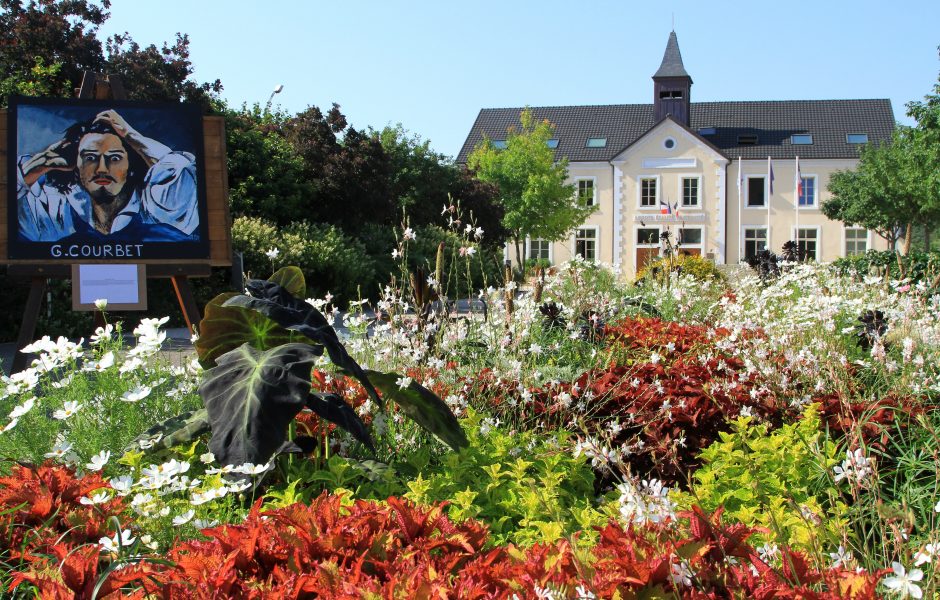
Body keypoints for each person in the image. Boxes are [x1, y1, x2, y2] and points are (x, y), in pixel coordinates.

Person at [16, 109, 199, 242]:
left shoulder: (155, 211)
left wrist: (132, 136)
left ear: (130, 164)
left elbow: (184, 175)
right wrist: (41, 162)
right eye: (90, 158)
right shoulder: (58, 215)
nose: (102, 169)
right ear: (76, 164)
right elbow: (11, 204)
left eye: (115, 158)